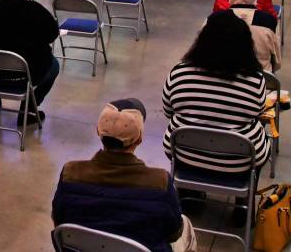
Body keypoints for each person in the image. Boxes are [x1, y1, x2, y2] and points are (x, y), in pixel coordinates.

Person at [52, 98, 195, 252]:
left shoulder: (70, 173)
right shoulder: (160, 182)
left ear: (98, 131)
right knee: (186, 226)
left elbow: (59, 221)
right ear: (139, 138)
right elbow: (174, 233)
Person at [162, 17, 270, 177]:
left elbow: (168, 111)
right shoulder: (255, 80)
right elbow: (258, 114)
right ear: (245, 45)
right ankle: (246, 191)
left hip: (183, 153)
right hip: (239, 161)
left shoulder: (179, 73)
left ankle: (186, 187)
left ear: (202, 40)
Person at [223, 0, 280, 73]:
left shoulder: (214, 19)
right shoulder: (269, 22)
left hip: (224, 75)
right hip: (260, 76)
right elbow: (277, 61)